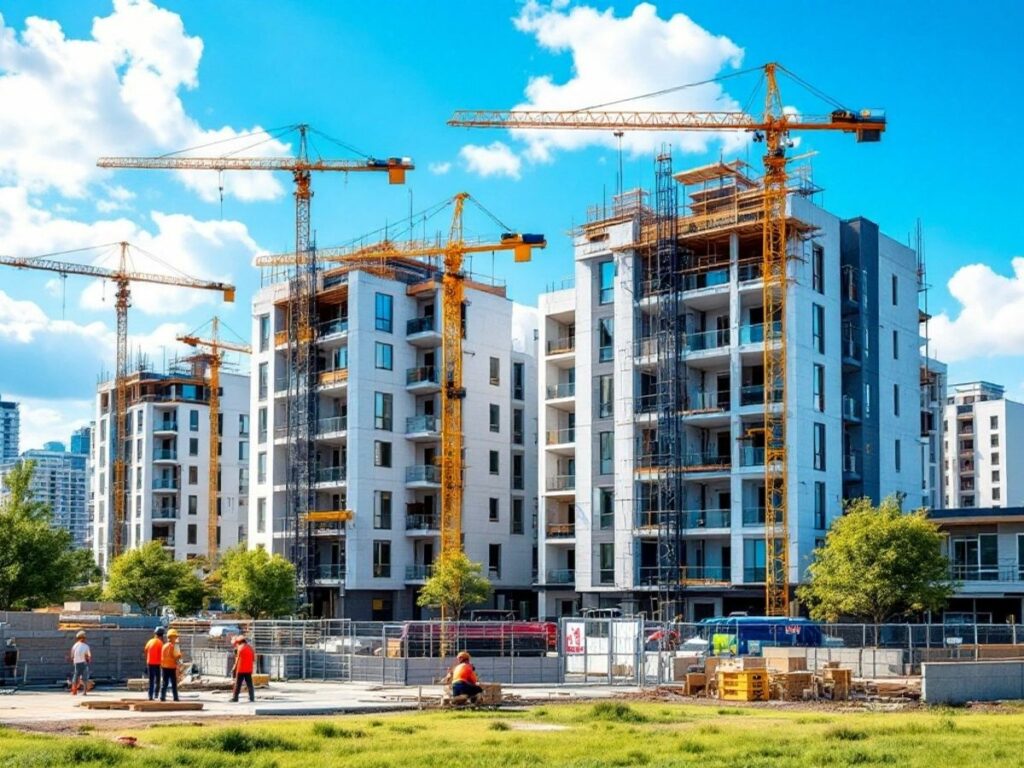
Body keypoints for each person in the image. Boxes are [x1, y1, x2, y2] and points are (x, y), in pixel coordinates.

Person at [230, 635, 255, 703]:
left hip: (240, 669)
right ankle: (252, 698)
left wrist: (234, 669)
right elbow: (253, 659)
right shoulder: (250, 648)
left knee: (238, 684)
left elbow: (237, 660)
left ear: (239, 642)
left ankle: (235, 698)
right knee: (249, 684)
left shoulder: (240, 648)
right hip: (249, 669)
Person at [159, 628, 182, 702]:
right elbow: (177, 656)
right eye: (175, 637)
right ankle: (175, 697)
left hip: (164, 667)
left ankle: (162, 697)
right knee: (174, 683)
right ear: (172, 637)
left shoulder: (164, 646)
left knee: (164, 683)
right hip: (171, 667)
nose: (176, 638)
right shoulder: (173, 646)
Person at [144, 627, 165, 701]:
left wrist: (147, 660)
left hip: (150, 663)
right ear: (161, 635)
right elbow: (163, 654)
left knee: (151, 680)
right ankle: (156, 693)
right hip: (157, 664)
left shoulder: (150, 641)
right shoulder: (160, 643)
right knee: (158, 680)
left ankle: (150, 695)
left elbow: (146, 650)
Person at [70, 630, 91, 696]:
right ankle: (75, 691)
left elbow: (72, 655)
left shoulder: (76, 646)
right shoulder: (83, 646)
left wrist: (88, 659)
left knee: (78, 677)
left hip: (79, 663)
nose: (84, 639)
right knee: (80, 677)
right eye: (84, 637)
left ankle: (80, 691)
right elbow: (89, 656)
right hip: (80, 663)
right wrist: (88, 659)